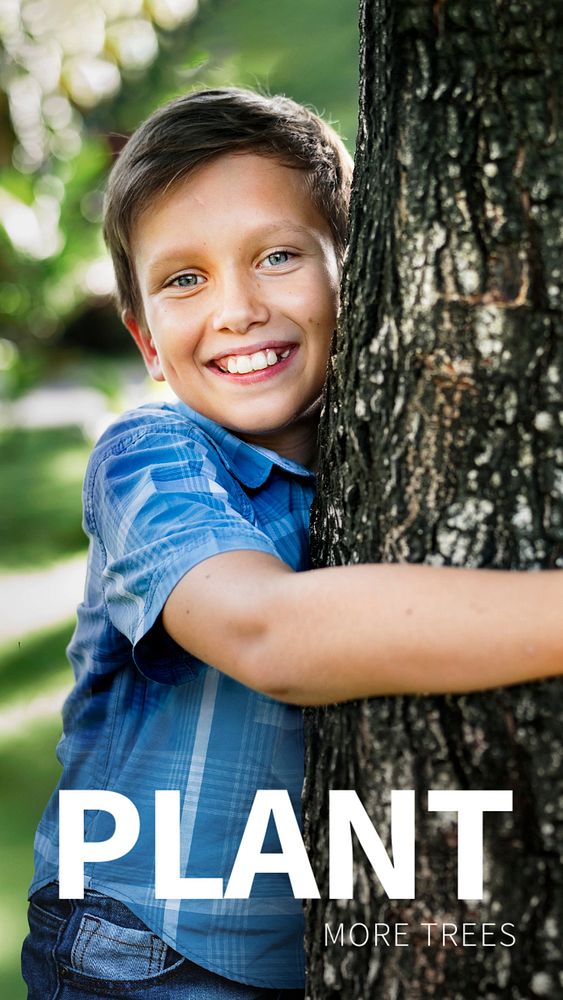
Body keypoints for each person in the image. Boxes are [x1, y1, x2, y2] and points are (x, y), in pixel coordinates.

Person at [22, 88, 562, 1000]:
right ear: (145, 340)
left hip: (296, 955)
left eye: (277, 256)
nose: (235, 308)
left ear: (366, 272)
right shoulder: (149, 459)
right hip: (142, 952)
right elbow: (267, 633)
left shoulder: (381, 454)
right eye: (184, 278)